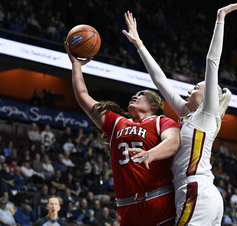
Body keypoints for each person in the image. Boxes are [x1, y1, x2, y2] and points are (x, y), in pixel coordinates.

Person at [123, 1, 237, 225]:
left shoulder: (207, 114)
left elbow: (212, 63)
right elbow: (160, 81)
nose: (189, 90)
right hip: (197, 190)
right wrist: (139, 44)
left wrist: (221, 18)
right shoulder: (188, 116)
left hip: (195, 190)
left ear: (208, 95)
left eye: (196, 88)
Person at [64, 33, 181, 225]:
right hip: (127, 207)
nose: (134, 96)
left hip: (159, 201)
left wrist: (149, 155)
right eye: (133, 94)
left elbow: (173, 142)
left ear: (154, 105)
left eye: (141, 94)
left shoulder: (162, 121)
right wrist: (76, 65)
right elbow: (83, 97)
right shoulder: (116, 122)